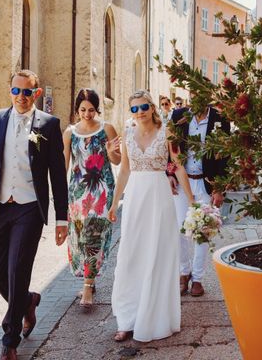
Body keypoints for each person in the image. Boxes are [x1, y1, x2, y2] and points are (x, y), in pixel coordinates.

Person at [0, 70, 68, 360]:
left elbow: (58, 174)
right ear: (10, 92)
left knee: (17, 270)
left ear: (37, 93)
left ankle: (10, 340)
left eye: (27, 92)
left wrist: (62, 218)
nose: (21, 97)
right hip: (1, 206)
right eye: (16, 91)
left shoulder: (49, 125)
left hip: (30, 207)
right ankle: (28, 301)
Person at [108, 90, 194, 342]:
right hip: (135, 198)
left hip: (159, 197)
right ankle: (126, 319)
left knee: (157, 254)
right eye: (134, 109)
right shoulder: (127, 135)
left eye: (143, 107)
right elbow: (124, 170)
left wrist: (191, 200)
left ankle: (154, 318)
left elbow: (177, 165)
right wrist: (114, 204)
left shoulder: (167, 132)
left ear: (152, 107)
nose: (139, 112)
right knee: (131, 255)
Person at [63, 88, 121, 310]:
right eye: (82, 110)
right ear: (77, 110)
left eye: (91, 110)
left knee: (93, 235)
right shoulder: (70, 133)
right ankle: (90, 276)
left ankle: (88, 287)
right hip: (78, 194)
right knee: (81, 238)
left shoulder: (107, 129)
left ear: (97, 109)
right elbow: (64, 165)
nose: (87, 114)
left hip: (101, 191)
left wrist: (109, 151)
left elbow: (118, 161)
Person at [169, 101, 230, 297]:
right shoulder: (178, 116)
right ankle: (183, 273)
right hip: (181, 182)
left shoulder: (220, 119)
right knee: (180, 229)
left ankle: (197, 278)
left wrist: (219, 188)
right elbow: (171, 150)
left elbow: (225, 156)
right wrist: (170, 174)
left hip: (206, 184)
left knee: (203, 229)